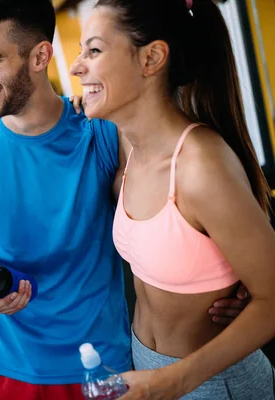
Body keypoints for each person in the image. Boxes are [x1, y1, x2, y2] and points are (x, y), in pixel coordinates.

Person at [0, 0, 248, 398]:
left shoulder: (103, 134)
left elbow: (179, 202)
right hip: (1, 365)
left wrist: (242, 283)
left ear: (40, 56)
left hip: (101, 363)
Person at [70, 0, 275, 398]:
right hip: (148, 367)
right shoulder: (132, 150)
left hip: (212, 383)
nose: (77, 66)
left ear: (152, 58)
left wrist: (173, 381)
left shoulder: (200, 167)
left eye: (93, 51)